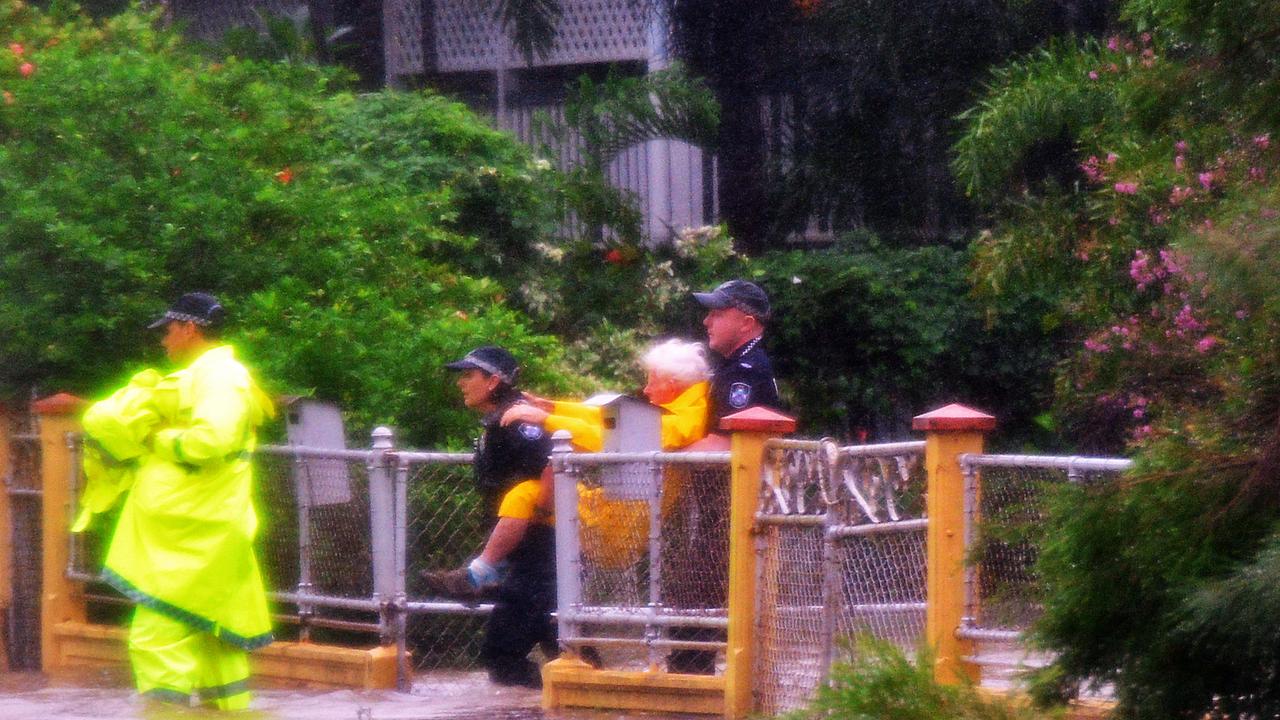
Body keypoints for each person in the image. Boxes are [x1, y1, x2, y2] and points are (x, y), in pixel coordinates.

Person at [78, 292, 275, 710]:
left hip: (193, 538)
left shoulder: (220, 377)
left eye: (167, 331)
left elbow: (212, 440)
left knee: (154, 641)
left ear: (190, 328)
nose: (163, 342)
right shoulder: (211, 375)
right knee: (215, 644)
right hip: (199, 531)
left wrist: (154, 439)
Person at [424, 345, 556, 688]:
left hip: (543, 552)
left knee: (501, 653)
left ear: (494, 381)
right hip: (528, 556)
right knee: (565, 648)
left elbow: (557, 460)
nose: (461, 383)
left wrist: (541, 509)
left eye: (469, 375)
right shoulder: (500, 418)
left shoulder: (517, 420)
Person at [693, 279, 781, 427]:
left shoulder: (745, 372)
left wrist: (658, 450)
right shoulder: (736, 363)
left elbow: (727, 444)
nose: (706, 321)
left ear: (746, 324)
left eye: (717, 314)